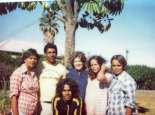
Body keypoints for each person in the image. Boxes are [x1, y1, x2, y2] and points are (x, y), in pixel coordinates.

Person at [39, 43, 67, 115]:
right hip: (41, 103)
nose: (52, 54)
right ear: (45, 54)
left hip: (56, 103)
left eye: (54, 52)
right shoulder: (39, 66)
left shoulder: (62, 68)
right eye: (49, 52)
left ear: (56, 54)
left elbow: (64, 86)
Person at [10, 48, 40, 115]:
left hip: (33, 112)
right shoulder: (18, 73)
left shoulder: (35, 73)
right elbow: (13, 97)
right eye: (30, 58)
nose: (33, 60)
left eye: (35, 58)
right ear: (25, 59)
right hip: (21, 112)